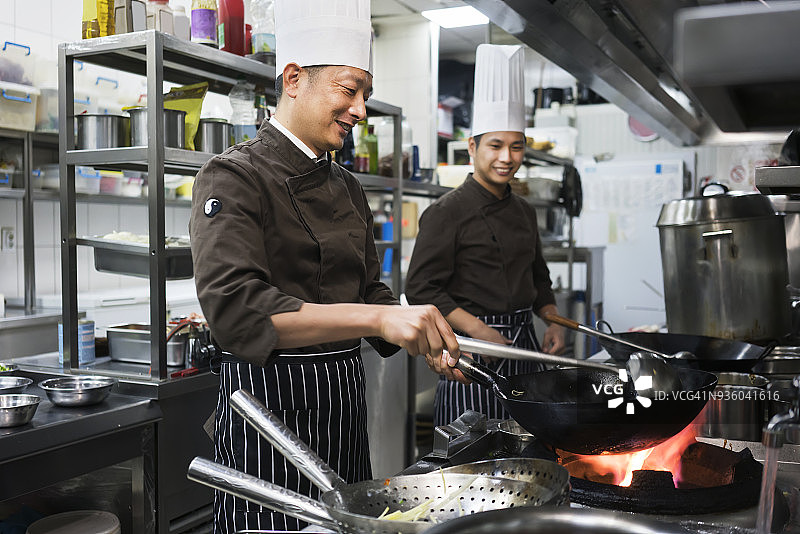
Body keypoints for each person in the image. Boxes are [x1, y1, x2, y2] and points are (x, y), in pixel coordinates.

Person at [189, 1, 463, 531]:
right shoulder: (233, 177)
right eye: (349, 89)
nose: (361, 109)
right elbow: (238, 313)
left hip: (341, 408)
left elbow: (370, 291)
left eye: (365, 93)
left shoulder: (348, 187)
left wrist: (419, 329)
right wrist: (378, 321)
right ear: (294, 79)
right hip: (266, 417)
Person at [406, 44, 565, 427]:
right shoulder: (447, 211)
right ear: (473, 147)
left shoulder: (525, 211)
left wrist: (554, 319)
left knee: (529, 452)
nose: (506, 157)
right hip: (472, 351)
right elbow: (421, 288)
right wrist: (479, 329)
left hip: (524, 347)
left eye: (516, 146)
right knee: (471, 458)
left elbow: (538, 275)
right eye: (495, 145)